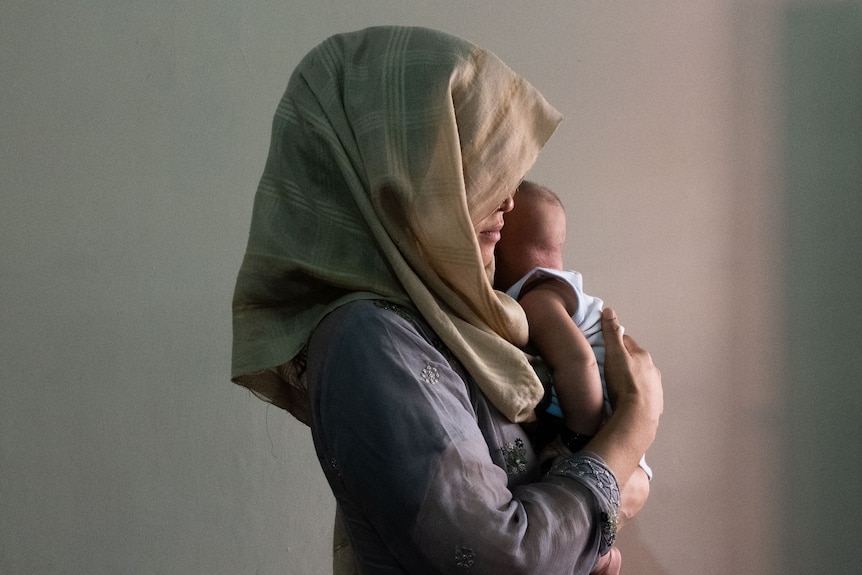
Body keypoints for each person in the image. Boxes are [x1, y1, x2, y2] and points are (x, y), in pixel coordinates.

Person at [231, 26, 662, 575]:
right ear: (399, 171)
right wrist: (635, 427)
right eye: (477, 162)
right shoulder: (370, 340)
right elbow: (505, 557)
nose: (508, 198)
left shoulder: (467, 317)